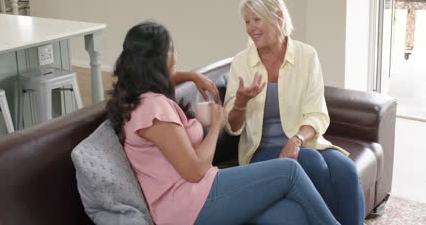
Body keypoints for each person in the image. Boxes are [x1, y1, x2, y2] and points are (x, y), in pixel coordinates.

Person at [106, 21, 340, 225]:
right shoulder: (154, 109)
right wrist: (216, 125)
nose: (176, 56)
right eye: (171, 50)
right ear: (156, 61)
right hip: (188, 205)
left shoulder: (136, 94)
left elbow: (162, 78)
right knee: (289, 171)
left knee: (294, 215)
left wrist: (191, 75)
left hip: (197, 195)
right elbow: (196, 170)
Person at [223, 0, 365, 225]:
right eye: (247, 21)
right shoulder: (242, 62)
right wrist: (240, 103)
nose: (251, 27)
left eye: (257, 19)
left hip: (304, 141)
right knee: (312, 163)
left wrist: (297, 139)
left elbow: (317, 113)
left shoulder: (306, 56)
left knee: (346, 170)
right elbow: (232, 127)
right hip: (261, 151)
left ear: (278, 16)